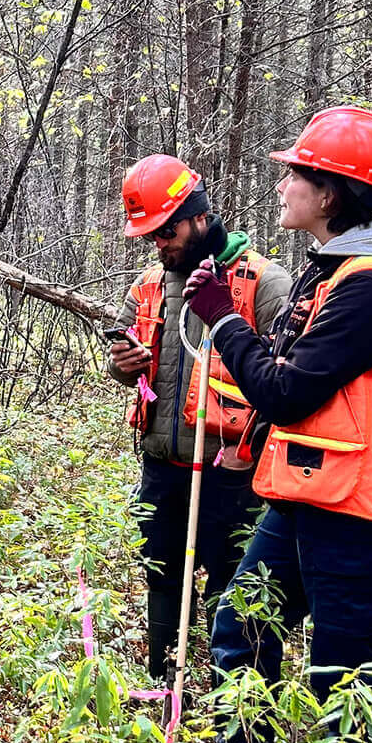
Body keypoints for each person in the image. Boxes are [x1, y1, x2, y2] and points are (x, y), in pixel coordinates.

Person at [180, 106, 372, 742]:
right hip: (311, 489)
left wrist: (221, 319)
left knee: (346, 670)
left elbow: (287, 390)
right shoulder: (335, 266)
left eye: (294, 175)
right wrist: (250, 443)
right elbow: (290, 370)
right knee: (243, 624)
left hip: (359, 506)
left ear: (328, 193)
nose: (281, 186)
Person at [109, 155, 292, 679]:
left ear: (197, 217)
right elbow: (125, 360)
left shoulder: (263, 283)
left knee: (234, 588)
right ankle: (165, 684)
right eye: (149, 235)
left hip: (232, 473)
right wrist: (124, 365)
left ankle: (234, 703)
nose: (157, 244)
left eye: (165, 232)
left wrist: (253, 447)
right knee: (162, 577)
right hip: (162, 468)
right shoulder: (148, 285)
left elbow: (289, 380)